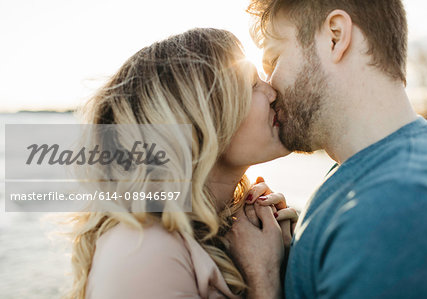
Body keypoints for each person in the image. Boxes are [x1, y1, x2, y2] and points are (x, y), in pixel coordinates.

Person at [227, 0, 427, 298]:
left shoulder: (395, 212)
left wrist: (263, 280)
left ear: (335, 36)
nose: (269, 89)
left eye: (273, 61)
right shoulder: (365, 173)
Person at [65, 28, 298, 299]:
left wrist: (284, 256)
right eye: (251, 85)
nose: (272, 93)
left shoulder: (224, 234)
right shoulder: (143, 252)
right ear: (201, 119)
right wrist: (264, 278)